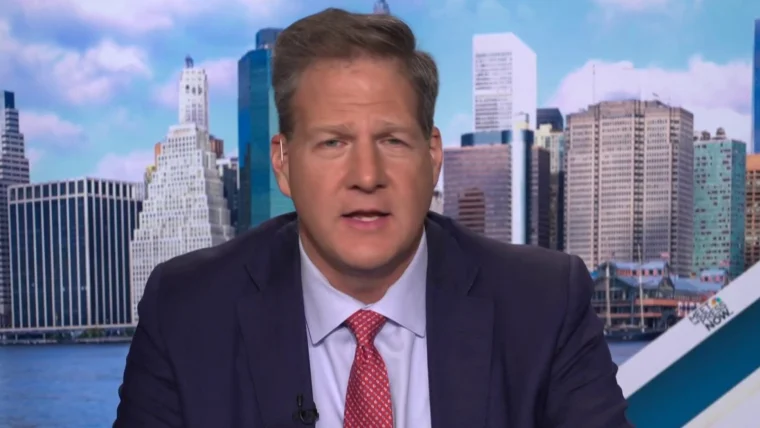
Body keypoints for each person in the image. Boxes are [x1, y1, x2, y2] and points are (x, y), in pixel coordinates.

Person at [114, 7, 632, 428]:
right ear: (283, 163)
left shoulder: (544, 304)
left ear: (432, 156)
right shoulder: (187, 312)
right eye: (333, 143)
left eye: (392, 140)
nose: (366, 175)